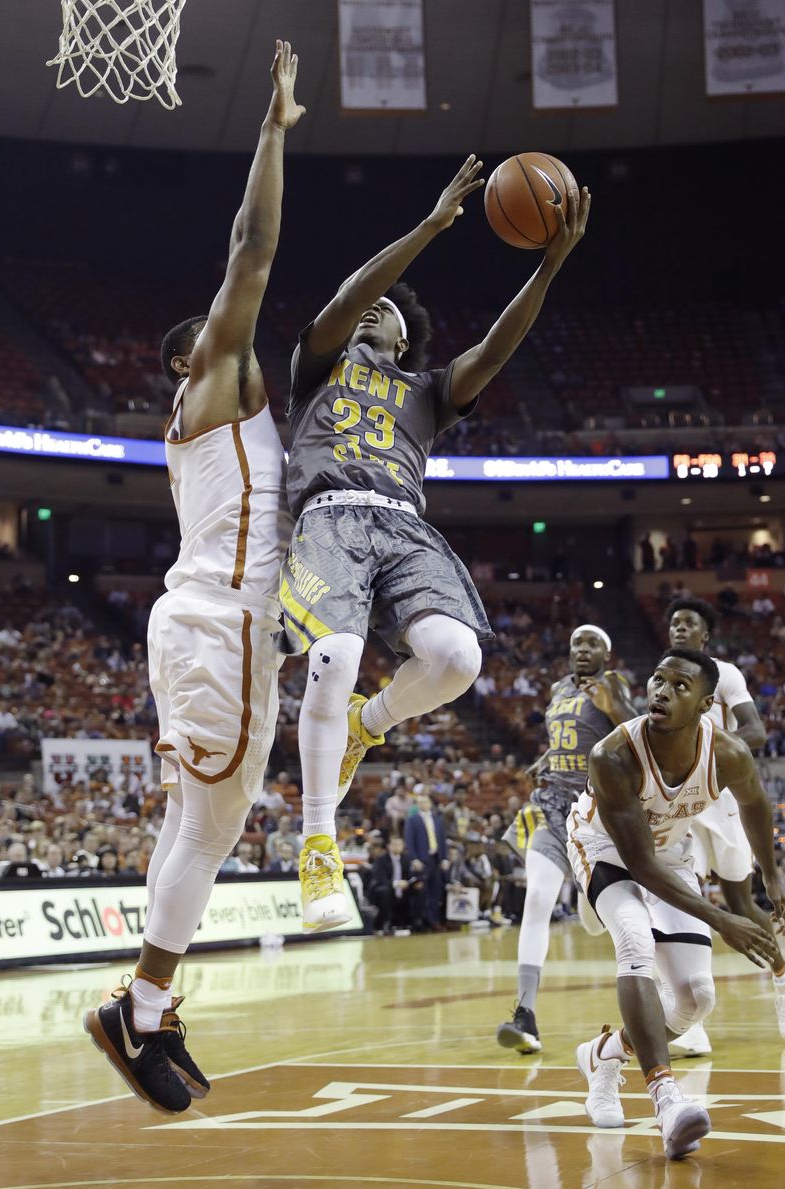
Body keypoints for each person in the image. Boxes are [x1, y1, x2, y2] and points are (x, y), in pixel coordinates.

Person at [278, 158, 591, 931]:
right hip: (332, 516)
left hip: (404, 523)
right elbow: (348, 296)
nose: (366, 310)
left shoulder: (426, 393)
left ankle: (366, 722)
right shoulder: (318, 366)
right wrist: (427, 228)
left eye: (383, 310)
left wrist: (549, 266)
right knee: (336, 655)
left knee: (458, 659)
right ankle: (318, 838)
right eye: (363, 306)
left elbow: (496, 346)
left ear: (406, 334)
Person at [83, 42, 305, 1116]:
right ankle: (140, 1008)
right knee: (209, 827)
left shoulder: (249, 422)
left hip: (216, 626)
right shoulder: (211, 386)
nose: (241, 343)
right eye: (220, 339)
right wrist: (272, 130)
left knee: (198, 825)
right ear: (193, 361)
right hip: (219, 624)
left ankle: (147, 1005)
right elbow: (252, 250)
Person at [567, 648, 785, 1159]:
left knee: (695, 999)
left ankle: (604, 1055)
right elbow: (640, 866)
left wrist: (772, 876)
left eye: (679, 686)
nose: (661, 691)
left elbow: (755, 804)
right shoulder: (613, 754)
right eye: (657, 680)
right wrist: (722, 919)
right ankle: (665, 1098)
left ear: (707, 704)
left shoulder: (728, 751)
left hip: (671, 852)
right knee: (633, 936)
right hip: (604, 847)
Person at [665, 596, 785, 1052]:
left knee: (740, 904)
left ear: (705, 635)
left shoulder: (724, 674)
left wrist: (705, 748)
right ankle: (691, 1015)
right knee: (687, 901)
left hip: (723, 799)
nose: (680, 629)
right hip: (681, 804)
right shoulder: (664, 677)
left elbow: (757, 731)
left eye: (688, 623)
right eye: (674, 623)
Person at [497, 625, 635, 1054]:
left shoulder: (613, 685)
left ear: (606, 655)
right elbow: (565, 736)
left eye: (592, 644)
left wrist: (615, 707)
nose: (582, 649)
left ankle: (585, 898)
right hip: (553, 804)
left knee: (598, 921)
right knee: (536, 899)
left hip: (596, 814)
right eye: (577, 643)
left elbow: (637, 730)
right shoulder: (558, 688)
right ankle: (525, 1014)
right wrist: (546, 757)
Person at [404, 789, 449, 930]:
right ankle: (422, 920)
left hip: (436, 858)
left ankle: (434, 920)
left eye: (425, 802)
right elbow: (409, 841)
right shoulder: (412, 820)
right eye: (420, 802)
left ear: (430, 804)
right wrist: (414, 859)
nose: (423, 804)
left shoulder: (437, 819)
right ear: (417, 804)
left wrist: (445, 858)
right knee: (423, 891)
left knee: (436, 891)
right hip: (422, 861)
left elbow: (442, 840)